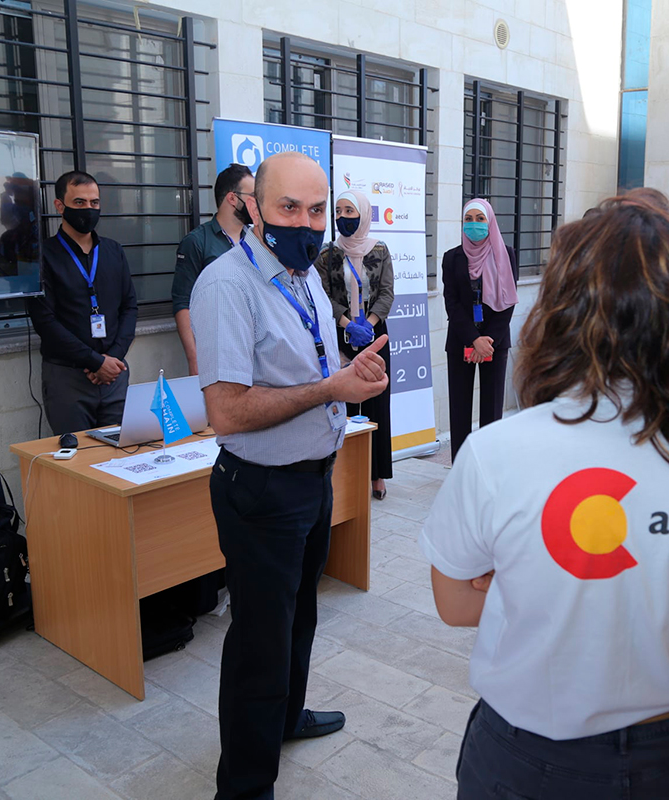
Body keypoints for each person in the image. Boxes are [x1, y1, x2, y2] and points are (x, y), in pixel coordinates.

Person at [421, 197, 669, 800]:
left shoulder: (496, 451)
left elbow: (455, 603)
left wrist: (529, 585)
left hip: (520, 755)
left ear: (559, 310)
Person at [189, 151, 389, 800]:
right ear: (252, 208)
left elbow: (306, 364)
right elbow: (226, 411)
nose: (304, 223)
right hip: (262, 491)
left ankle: (285, 717)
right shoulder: (227, 285)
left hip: (312, 478)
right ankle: (243, 786)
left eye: (315, 210)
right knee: (259, 640)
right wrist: (326, 388)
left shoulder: (302, 275)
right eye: (287, 209)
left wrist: (349, 374)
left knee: (299, 617)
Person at [28, 170, 137, 435]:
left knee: (122, 457)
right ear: (59, 206)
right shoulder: (42, 257)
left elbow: (129, 307)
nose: (88, 209)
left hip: (114, 375)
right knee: (78, 463)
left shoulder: (113, 251)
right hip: (67, 380)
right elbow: (45, 322)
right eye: (79, 202)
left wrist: (112, 360)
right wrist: (95, 362)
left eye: (94, 203)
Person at [314, 189, 395, 499]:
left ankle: (378, 475)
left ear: (363, 214)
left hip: (375, 335)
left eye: (350, 211)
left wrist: (369, 325)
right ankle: (345, 473)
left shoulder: (380, 250)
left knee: (377, 404)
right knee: (344, 406)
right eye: (338, 211)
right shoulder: (327, 254)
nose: (342, 217)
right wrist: (348, 324)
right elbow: (323, 298)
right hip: (340, 337)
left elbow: (387, 292)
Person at [443, 199, 519, 460]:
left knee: (492, 410)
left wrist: (489, 340)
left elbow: (509, 299)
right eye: (469, 219)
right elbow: (451, 304)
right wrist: (474, 339)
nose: (474, 224)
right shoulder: (452, 258)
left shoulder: (506, 253)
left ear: (490, 221)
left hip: (495, 343)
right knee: (460, 409)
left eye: (480, 219)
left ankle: (489, 468)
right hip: (462, 340)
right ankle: (460, 469)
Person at [173, 164, 254, 374]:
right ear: (232, 198)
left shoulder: (256, 240)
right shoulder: (197, 242)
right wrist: (194, 358)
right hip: (216, 353)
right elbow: (182, 303)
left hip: (254, 350)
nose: (258, 203)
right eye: (252, 196)